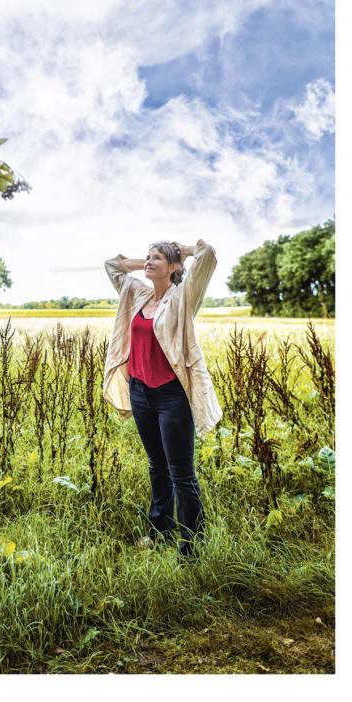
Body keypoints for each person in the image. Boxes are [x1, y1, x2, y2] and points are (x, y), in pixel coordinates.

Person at [103, 239, 223, 558]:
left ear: (174, 268)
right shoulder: (137, 295)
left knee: (180, 472)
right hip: (141, 392)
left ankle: (191, 545)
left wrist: (180, 251)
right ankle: (160, 533)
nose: (149, 262)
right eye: (148, 257)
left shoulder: (183, 297)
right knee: (157, 466)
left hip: (172, 396)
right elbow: (112, 265)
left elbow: (208, 256)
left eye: (157, 259)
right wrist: (146, 262)